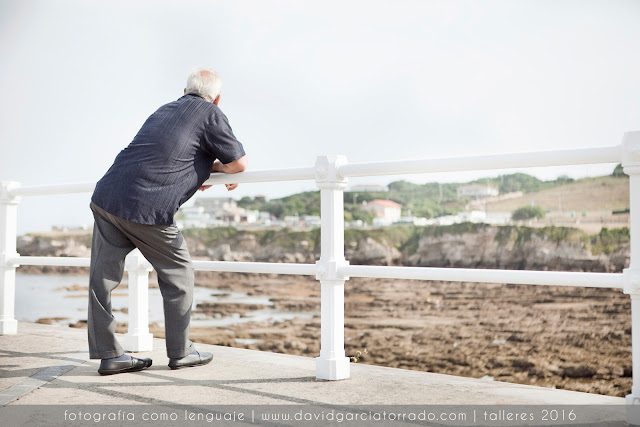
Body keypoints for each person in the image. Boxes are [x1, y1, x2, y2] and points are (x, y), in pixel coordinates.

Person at [88, 67, 247, 375]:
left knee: (101, 280)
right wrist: (219, 169)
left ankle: (110, 355)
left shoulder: (164, 110)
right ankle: (181, 352)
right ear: (217, 99)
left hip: (108, 196)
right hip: (146, 207)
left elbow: (166, 154)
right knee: (179, 274)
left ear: (185, 90)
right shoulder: (210, 113)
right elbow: (238, 163)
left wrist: (202, 170)